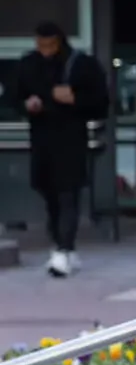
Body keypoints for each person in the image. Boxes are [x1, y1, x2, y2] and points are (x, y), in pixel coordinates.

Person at [8, 19, 109, 277]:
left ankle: (62, 250)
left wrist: (75, 99)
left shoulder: (81, 65)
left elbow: (102, 102)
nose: (45, 51)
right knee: (49, 193)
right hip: (41, 139)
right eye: (40, 45)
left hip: (71, 138)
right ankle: (63, 246)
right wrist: (26, 105)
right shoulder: (29, 64)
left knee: (68, 194)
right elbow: (13, 96)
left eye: (49, 45)